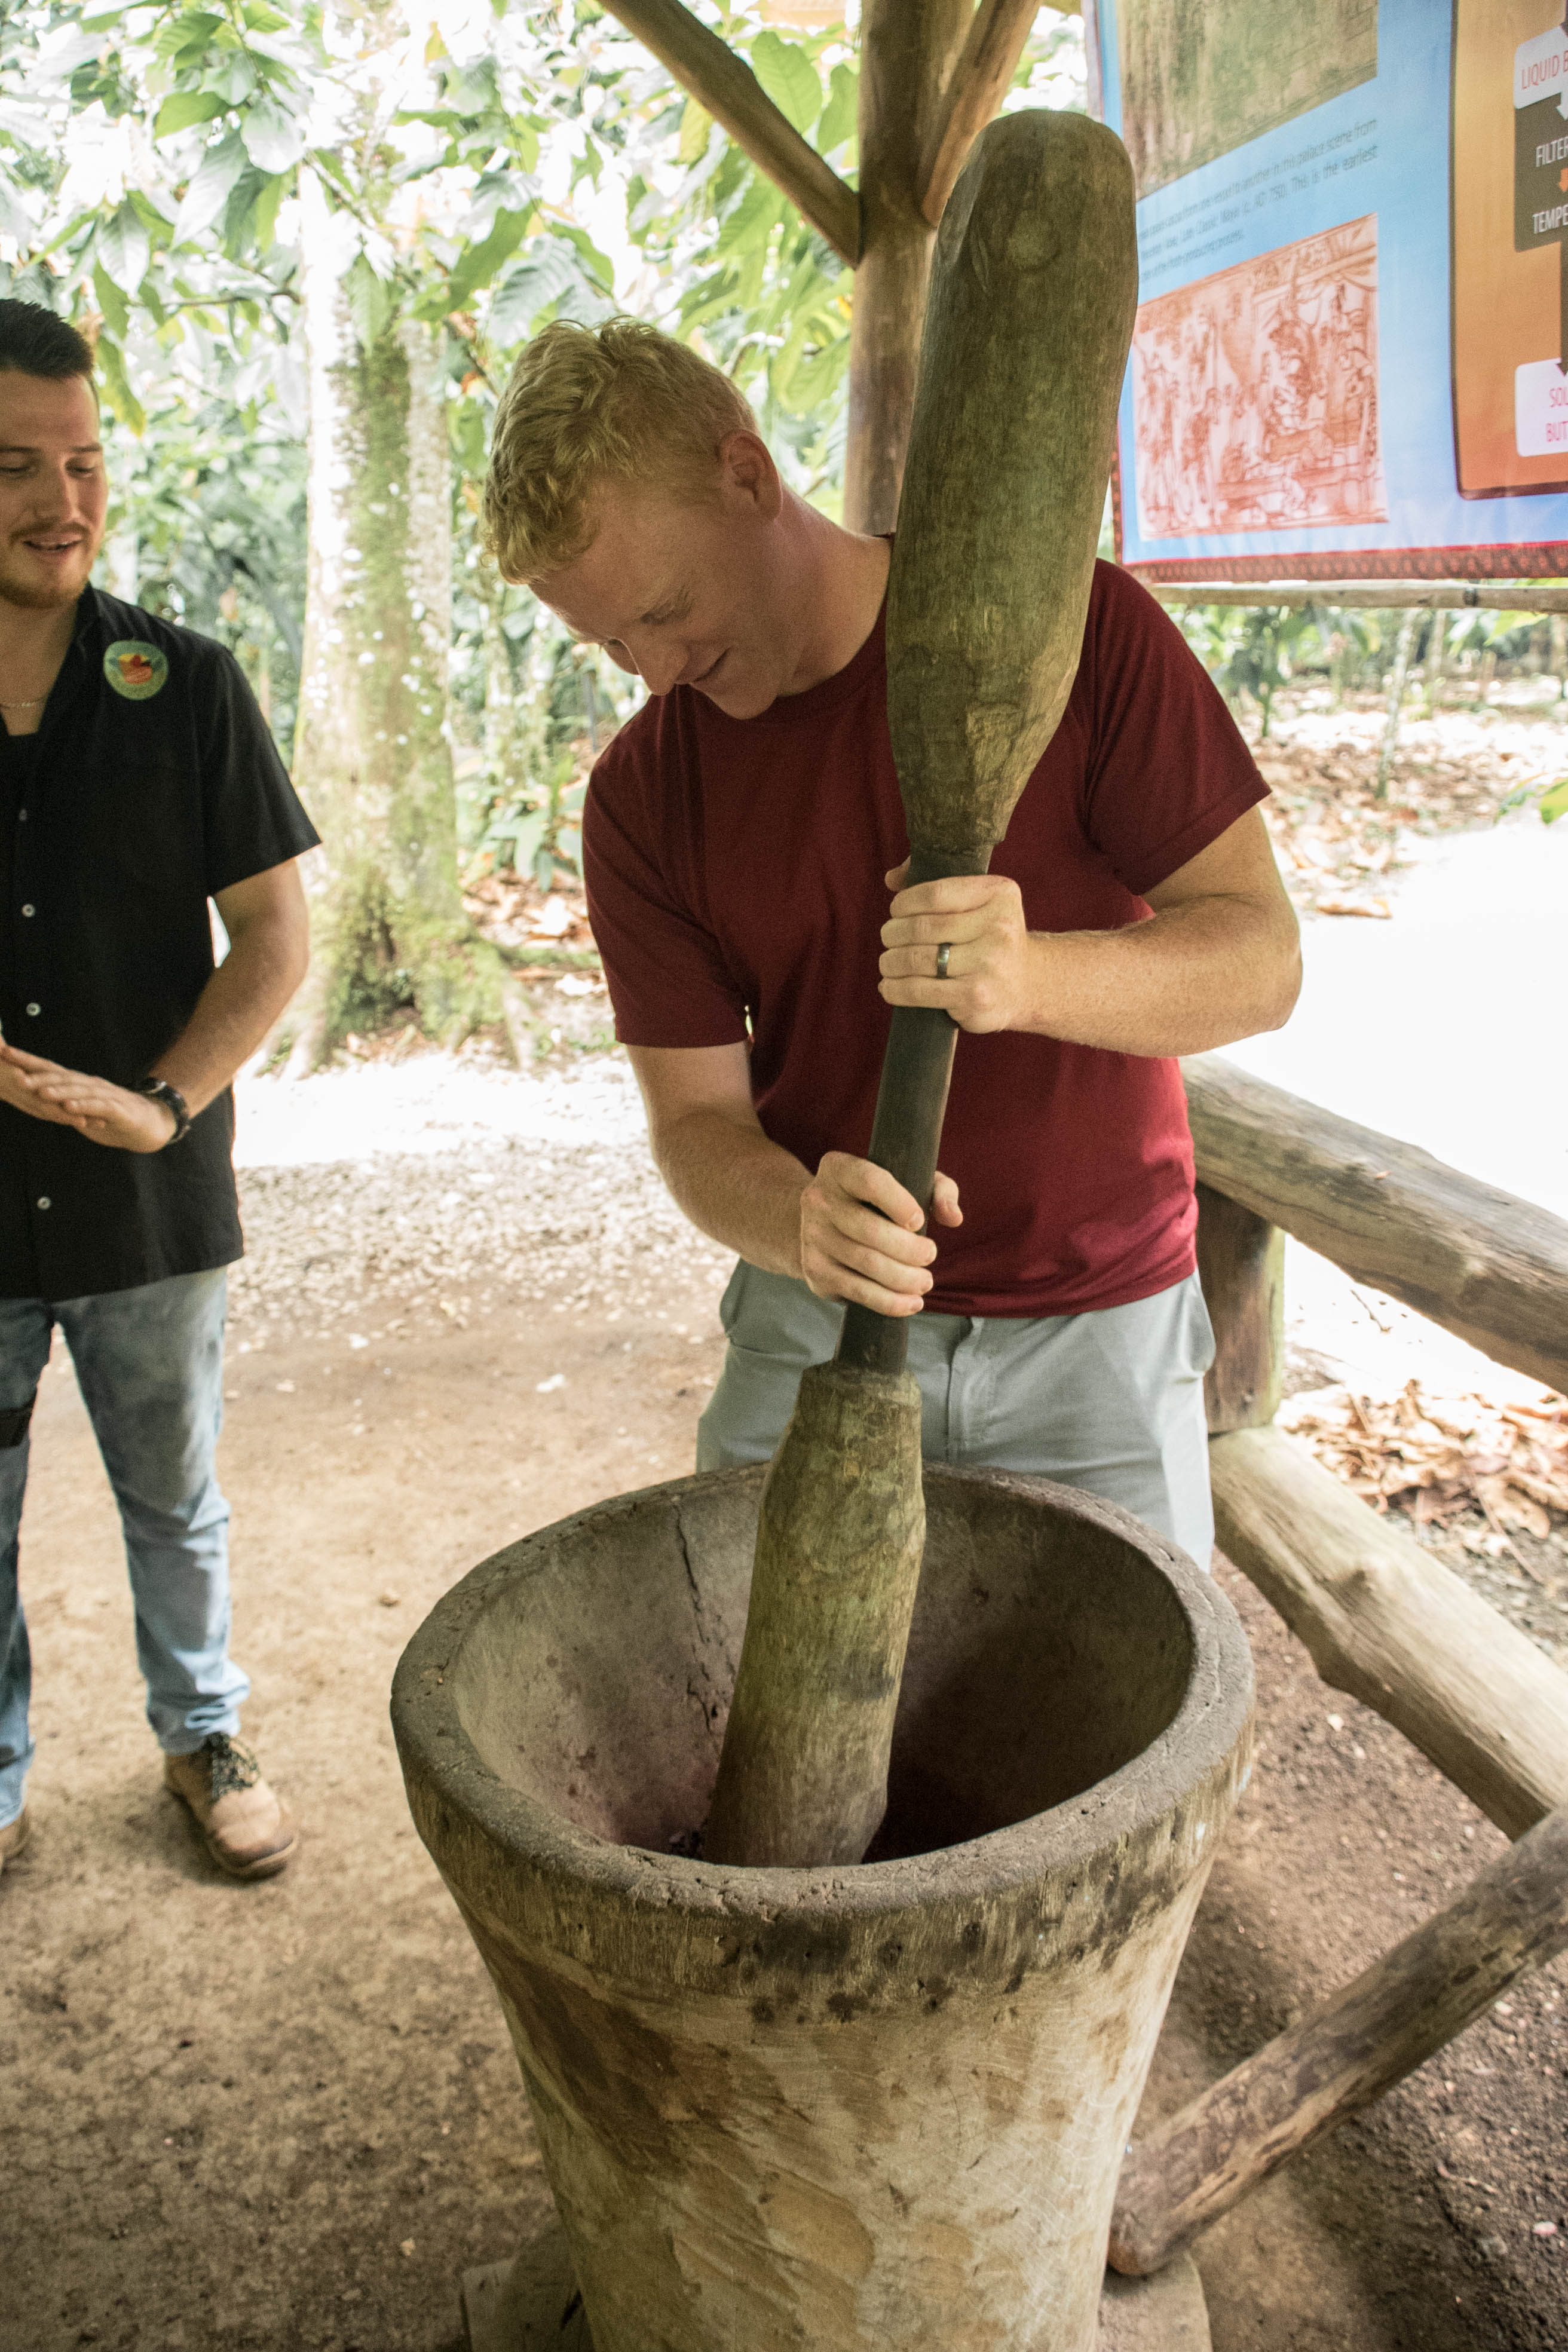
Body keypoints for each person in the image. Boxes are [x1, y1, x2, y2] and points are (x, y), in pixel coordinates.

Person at [482, 318, 1301, 1568]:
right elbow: (696, 1130)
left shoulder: (1076, 634)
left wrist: (1032, 975)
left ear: (746, 473)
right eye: (608, 643)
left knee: (1125, 1739)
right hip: (817, 1322)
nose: (651, 673)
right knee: (740, 1701)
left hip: (1097, 1331)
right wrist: (801, 1220)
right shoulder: (645, 794)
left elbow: (1261, 962)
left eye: (661, 610)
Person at [0, 302, 318, 1883]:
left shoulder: (183, 683)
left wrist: (164, 1106)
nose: (63, 500)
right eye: (16, 468)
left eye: (84, 462)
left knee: (174, 1505)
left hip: (150, 1189)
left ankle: (203, 1736)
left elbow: (274, 936)